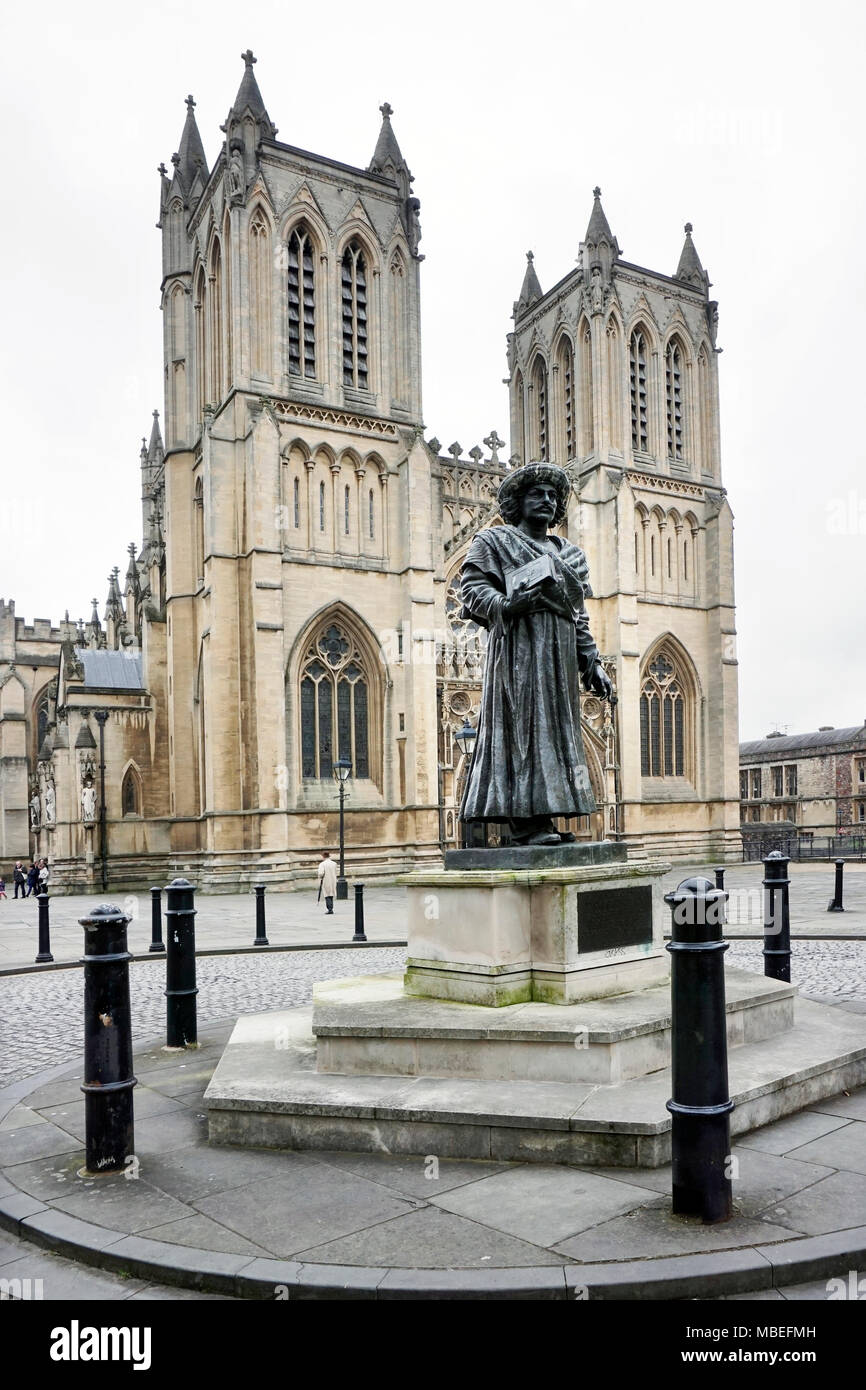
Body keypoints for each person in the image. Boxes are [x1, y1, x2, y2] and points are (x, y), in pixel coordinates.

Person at [459, 461, 613, 846]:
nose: (546, 501)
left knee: (555, 732)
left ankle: (544, 816)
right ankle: (523, 826)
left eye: (552, 496)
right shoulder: (493, 542)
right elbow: (471, 591)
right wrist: (510, 604)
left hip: (558, 659)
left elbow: (577, 614)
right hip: (517, 652)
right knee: (520, 730)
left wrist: (591, 662)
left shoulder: (571, 554)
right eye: (536, 494)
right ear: (518, 502)